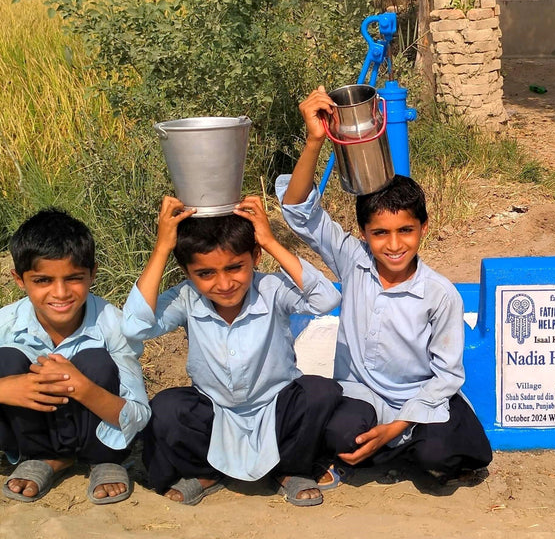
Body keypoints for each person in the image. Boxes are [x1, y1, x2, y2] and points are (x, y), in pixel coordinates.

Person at [275, 87, 492, 484]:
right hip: (363, 394)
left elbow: (446, 374)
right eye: (380, 233)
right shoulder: (352, 260)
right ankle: (390, 448)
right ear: (363, 233)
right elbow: (298, 212)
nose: (394, 245)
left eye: (406, 230)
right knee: (342, 436)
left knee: (446, 455)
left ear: (423, 228)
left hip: (417, 399)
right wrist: (314, 140)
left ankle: (405, 441)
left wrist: (397, 426)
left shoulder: (439, 293)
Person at [122, 196, 345, 506]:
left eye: (235, 267)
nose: (224, 283)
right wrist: (161, 248)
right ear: (187, 271)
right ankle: (206, 473)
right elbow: (135, 326)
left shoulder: (272, 289)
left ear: (254, 256)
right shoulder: (186, 299)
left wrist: (269, 241)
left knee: (320, 392)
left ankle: (289, 471)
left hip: (276, 408)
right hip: (216, 412)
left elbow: (326, 300)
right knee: (166, 408)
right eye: (205, 274)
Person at [0, 209, 149, 504]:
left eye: (74, 278)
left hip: (99, 437)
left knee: (95, 360)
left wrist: (83, 388)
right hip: (32, 435)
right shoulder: (5, 324)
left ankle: (104, 459)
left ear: (93, 273)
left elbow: (140, 415)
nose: (60, 293)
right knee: (6, 360)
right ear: (19, 279)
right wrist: (5, 388)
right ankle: (45, 457)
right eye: (42, 280)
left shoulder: (114, 325)